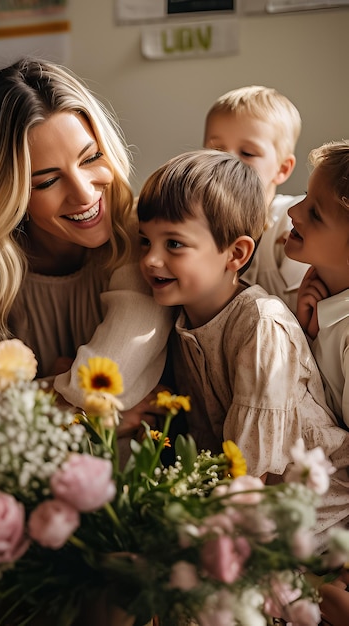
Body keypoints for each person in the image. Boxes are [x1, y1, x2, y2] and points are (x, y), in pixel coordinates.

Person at [0, 57, 172, 414]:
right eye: (47, 181)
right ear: (3, 193)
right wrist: (99, 409)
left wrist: (41, 396)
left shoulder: (145, 235)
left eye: (92, 158)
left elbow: (109, 378)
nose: (85, 194)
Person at [136, 149, 349, 535]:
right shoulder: (182, 318)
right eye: (144, 241)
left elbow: (252, 470)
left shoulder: (261, 326)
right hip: (240, 508)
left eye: (174, 244)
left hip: (312, 518)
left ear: (236, 254)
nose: (150, 260)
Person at [203, 85, 308, 314]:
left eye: (247, 153)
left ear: (282, 168)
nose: (227, 163)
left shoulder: (292, 222)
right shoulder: (199, 220)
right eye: (217, 151)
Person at [284, 141, 349, 428]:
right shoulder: (317, 303)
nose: (293, 212)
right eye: (305, 196)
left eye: (315, 213)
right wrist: (304, 336)